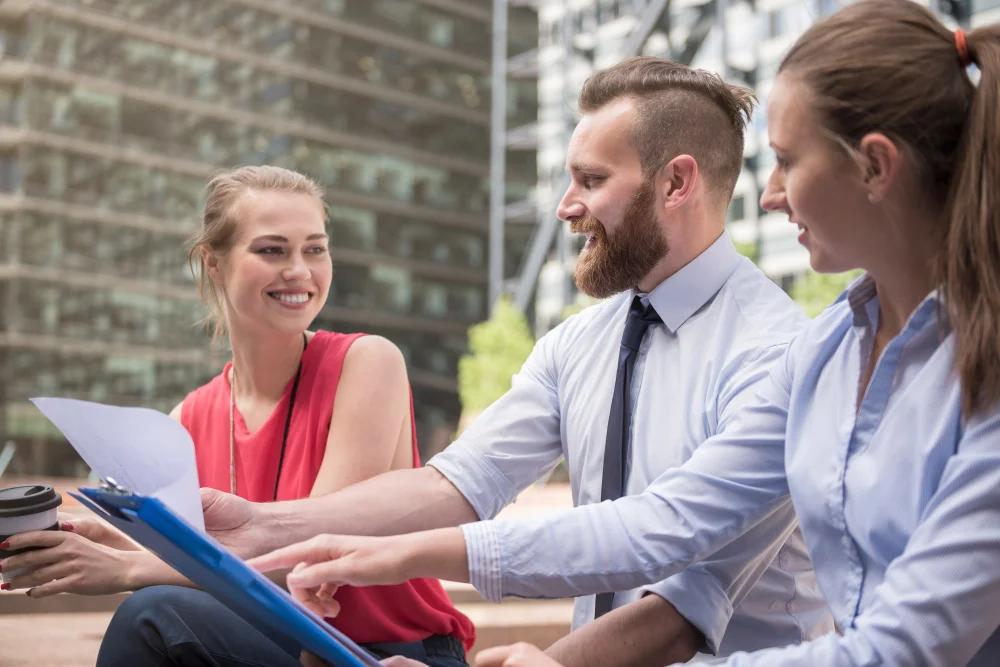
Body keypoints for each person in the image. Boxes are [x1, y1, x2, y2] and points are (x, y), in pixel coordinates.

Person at [247, 2, 1000, 665]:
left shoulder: (786, 345)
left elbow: (888, 645)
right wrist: (327, 539)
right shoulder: (828, 352)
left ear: (874, 166)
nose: (769, 195)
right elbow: (653, 522)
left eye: (787, 162)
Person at [145, 57, 834, 666]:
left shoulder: (773, 354)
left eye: (591, 179)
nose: (567, 206)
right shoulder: (577, 344)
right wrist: (270, 524)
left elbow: (676, 592)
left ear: (676, 183)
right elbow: (458, 482)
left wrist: (398, 559)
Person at [0, 165, 473, 667]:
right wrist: (110, 540)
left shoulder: (368, 362)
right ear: (213, 263)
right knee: (160, 616)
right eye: (273, 250)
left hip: (392, 652)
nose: (299, 270)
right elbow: (202, 557)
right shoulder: (189, 416)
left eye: (315, 248)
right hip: (278, 643)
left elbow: (316, 557)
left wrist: (124, 568)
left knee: (153, 615)